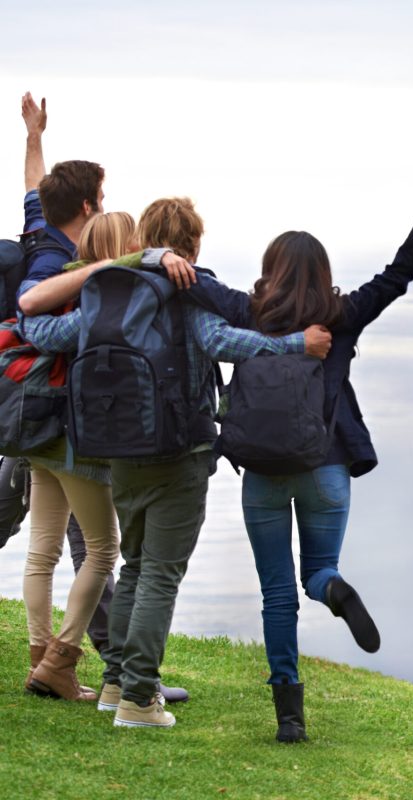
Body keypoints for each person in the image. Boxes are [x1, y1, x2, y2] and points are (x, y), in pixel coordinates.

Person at [21, 196, 332, 728]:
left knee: (136, 567)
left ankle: (117, 683)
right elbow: (228, 342)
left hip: (119, 451)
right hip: (179, 453)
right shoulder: (186, 293)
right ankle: (140, 700)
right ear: (192, 244)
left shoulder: (111, 296)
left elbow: (45, 332)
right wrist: (295, 344)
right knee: (161, 575)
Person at [171, 161, 413, 742]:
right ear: (322, 273)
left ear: (270, 271)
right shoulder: (340, 316)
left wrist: (162, 258)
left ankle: (290, 718)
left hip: (265, 471)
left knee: (277, 596)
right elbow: (397, 275)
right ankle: (336, 589)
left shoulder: (249, 312)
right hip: (326, 468)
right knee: (316, 570)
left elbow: (194, 284)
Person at [16, 94, 192, 703]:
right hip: (69, 423)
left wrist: (34, 134)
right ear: (91, 210)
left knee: (42, 548)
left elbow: (36, 188)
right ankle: (61, 659)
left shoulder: (40, 238)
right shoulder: (76, 271)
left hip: (30, 424)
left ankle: (43, 656)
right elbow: (37, 316)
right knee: (104, 548)